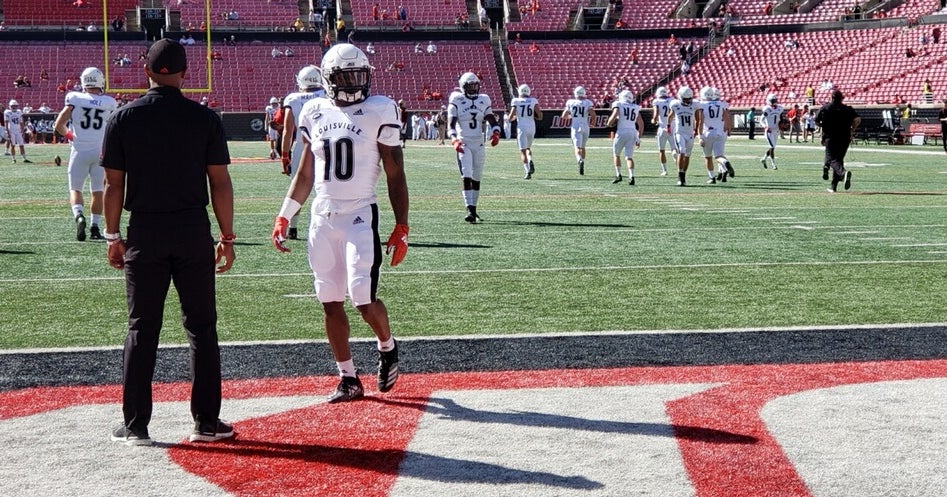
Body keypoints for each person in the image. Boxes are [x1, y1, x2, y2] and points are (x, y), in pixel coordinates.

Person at [101, 38, 235, 446]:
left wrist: (112, 235)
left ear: (146, 71)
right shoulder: (204, 118)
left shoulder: (124, 118)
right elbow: (220, 182)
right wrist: (227, 236)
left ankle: (136, 424)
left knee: (142, 328)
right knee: (202, 328)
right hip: (193, 229)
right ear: (186, 73)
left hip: (146, 230)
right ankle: (207, 422)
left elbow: (113, 185)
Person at [271, 43, 408, 403]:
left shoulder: (380, 109)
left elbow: (395, 172)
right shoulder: (313, 110)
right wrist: (286, 214)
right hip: (322, 215)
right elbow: (305, 172)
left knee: (362, 297)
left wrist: (402, 225)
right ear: (329, 80)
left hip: (361, 212)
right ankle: (348, 377)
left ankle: (387, 346)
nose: (353, 83)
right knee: (329, 299)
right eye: (345, 76)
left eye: (358, 75)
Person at [53, 67, 117, 241]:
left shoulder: (75, 98)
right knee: (97, 190)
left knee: (75, 188)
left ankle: (79, 216)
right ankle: (95, 227)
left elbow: (58, 125)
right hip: (100, 152)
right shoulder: (109, 102)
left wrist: (70, 135)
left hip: (79, 150)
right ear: (100, 81)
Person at [280, 65, 326, 240]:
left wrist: (285, 155)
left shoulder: (293, 98)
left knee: (298, 187)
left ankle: (293, 227)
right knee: (323, 188)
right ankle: (322, 226)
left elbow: (287, 130)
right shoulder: (326, 95)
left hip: (302, 147)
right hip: (324, 145)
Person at [449, 72, 501, 223]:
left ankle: (474, 208)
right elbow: (451, 123)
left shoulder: (483, 100)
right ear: (463, 87)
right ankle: (469, 209)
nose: (473, 89)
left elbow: (490, 117)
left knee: (477, 177)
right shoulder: (456, 99)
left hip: (479, 143)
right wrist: (454, 140)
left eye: (475, 86)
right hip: (463, 142)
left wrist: (496, 131)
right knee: (467, 175)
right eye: (470, 86)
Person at [815, 89, 860, 192]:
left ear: (831, 97)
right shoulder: (847, 109)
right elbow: (858, 119)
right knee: (838, 160)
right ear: (842, 98)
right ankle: (833, 186)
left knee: (831, 159)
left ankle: (843, 173)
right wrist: (852, 128)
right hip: (845, 137)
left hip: (830, 137)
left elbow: (816, 120)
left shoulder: (825, 108)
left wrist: (823, 126)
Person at [695, 86, 733, 184]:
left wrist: (699, 136)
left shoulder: (702, 104)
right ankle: (725, 162)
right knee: (719, 156)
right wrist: (728, 129)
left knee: (708, 157)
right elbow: (726, 117)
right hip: (720, 132)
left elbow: (700, 121)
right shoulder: (721, 104)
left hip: (707, 133)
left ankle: (712, 178)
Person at [606, 90, 643, 185]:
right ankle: (631, 176)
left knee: (616, 154)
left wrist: (609, 123)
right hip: (632, 132)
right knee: (629, 157)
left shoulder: (619, 104)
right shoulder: (635, 107)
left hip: (621, 132)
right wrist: (639, 137)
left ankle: (618, 175)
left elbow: (614, 114)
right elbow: (641, 124)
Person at [509, 84, 542, 179]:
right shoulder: (533, 100)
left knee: (523, 151)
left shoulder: (515, 101)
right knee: (528, 148)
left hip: (522, 127)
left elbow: (511, 117)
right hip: (532, 127)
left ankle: (527, 171)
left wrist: (514, 117)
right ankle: (530, 159)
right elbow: (540, 115)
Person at [561, 85, 595, 175]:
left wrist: (571, 116)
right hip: (585, 125)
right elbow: (593, 114)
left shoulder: (571, 102)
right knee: (583, 147)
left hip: (576, 126)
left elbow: (564, 115)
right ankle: (582, 160)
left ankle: (579, 160)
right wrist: (593, 123)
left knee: (577, 147)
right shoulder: (588, 102)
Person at [667, 86, 697, 186]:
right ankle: (680, 176)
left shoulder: (695, 105)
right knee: (682, 151)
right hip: (679, 132)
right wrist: (668, 126)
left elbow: (698, 118)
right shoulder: (675, 104)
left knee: (688, 155)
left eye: (689, 99)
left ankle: (684, 174)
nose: (688, 101)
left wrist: (696, 129)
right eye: (685, 99)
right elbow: (670, 115)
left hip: (690, 133)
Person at [651, 86, 673, 175]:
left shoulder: (657, 101)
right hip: (672, 127)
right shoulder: (672, 100)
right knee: (674, 149)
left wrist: (654, 120)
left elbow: (656, 113)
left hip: (662, 127)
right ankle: (679, 166)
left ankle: (664, 170)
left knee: (662, 150)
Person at [760, 94, 784, 169]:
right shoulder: (767, 109)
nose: (774, 102)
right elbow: (761, 120)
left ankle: (764, 159)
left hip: (776, 130)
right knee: (772, 147)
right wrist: (765, 126)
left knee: (772, 147)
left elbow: (781, 118)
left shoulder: (780, 108)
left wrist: (782, 124)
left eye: (775, 100)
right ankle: (774, 165)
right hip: (769, 131)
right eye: (773, 101)